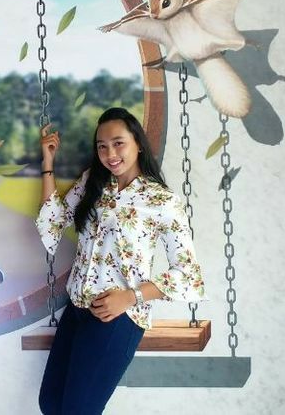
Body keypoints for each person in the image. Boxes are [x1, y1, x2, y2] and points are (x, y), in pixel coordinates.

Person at [35, 107, 206, 414]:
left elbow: (189, 274)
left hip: (116, 319)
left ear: (138, 143)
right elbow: (53, 221)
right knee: (50, 403)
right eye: (102, 146)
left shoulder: (162, 202)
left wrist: (132, 296)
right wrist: (48, 163)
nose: (110, 153)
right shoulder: (93, 183)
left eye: (118, 143)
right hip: (76, 311)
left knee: (77, 410)